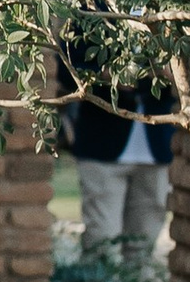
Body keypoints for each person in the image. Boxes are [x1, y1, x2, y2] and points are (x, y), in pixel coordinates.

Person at [58, 38, 174, 257]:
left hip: (157, 143)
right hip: (102, 140)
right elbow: (65, 66)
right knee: (101, 240)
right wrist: (105, 77)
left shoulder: (167, 9)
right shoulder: (92, 6)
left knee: (145, 246)